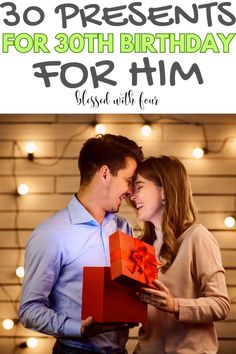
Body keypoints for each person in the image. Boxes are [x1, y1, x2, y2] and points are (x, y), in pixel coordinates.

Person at [19, 134, 143, 354]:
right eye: (128, 181)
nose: (131, 191)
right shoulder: (50, 234)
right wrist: (78, 328)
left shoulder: (124, 227)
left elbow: (130, 291)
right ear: (105, 173)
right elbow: (29, 310)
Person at [130, 155, 230, 354]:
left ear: (164, 190)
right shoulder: (142, 246)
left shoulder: (197, 237)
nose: (132, 196)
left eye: (139, 187)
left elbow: (221, 305)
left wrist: (174, 305)